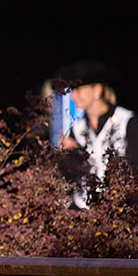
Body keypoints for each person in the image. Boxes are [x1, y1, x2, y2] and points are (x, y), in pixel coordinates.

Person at [56, 61, 138, 209]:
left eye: (78, 90)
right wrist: (65, 156)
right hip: (83, 209)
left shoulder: (127, 121)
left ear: (97, 90)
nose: (73, 96)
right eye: (71, 90)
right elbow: (72, 175)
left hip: (120, 208)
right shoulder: (77, 128)